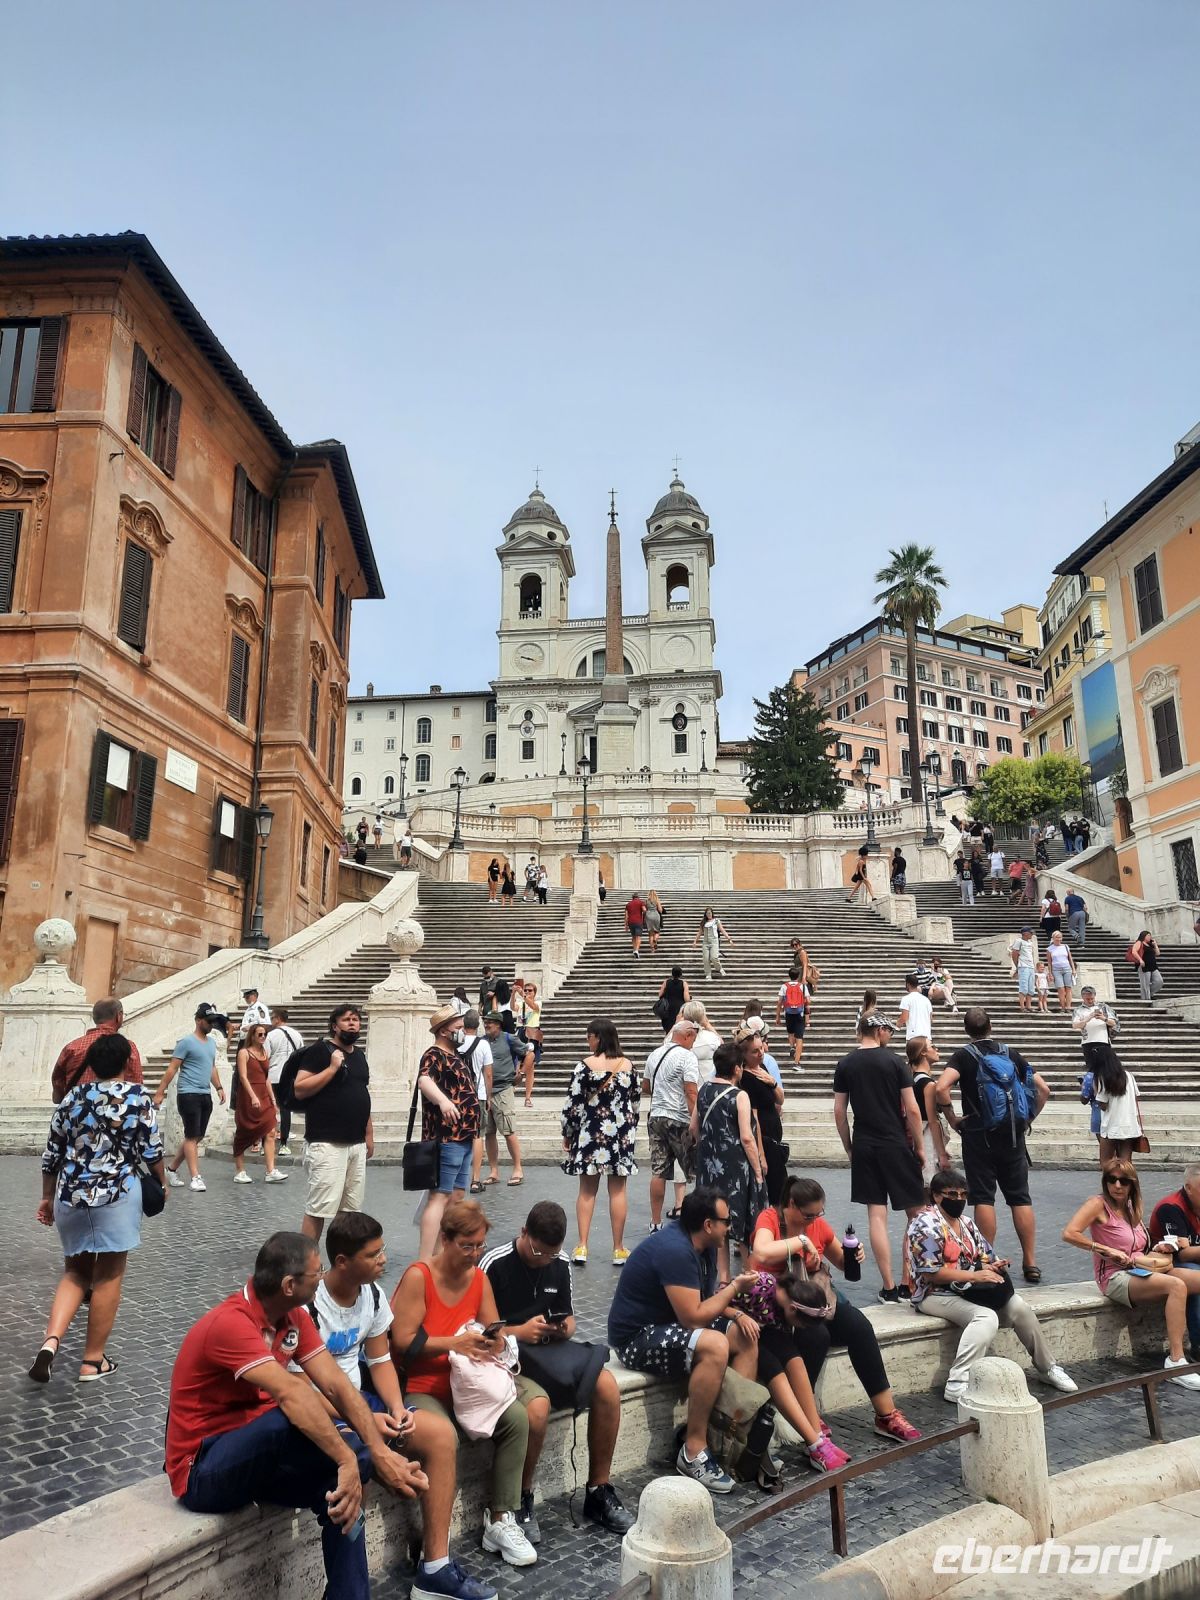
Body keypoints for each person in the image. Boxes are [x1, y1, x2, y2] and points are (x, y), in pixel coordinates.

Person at [166, 1232, 428, 1600]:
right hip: (204, 1470)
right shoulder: (231, 1323)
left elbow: (336, 1385)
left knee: (352, 1475)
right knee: (296, 1423)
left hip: (262, 1462)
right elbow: (291, 1394)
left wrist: (376, 1453)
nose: (322, 1277)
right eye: (316, 1272)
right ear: (289, 1285)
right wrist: (345, 1457)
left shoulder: (293, 1318)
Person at [310, 1212, 498, 1600]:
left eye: (383, 1250)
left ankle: (435, 1568)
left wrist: (395, 1408)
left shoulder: (373, 1295)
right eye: (373, 1254)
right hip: (325, 1408)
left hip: (365, 1400)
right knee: (357, 1460)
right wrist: (366, 1421)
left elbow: (379, 1361)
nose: (383, 1260)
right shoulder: (310, 1305)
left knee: (440, 1435)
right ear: (342, 1262)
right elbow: (304, 1391)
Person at [391, 1201, 539, 1569]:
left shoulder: (479, 1279)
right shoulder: (419, 1276)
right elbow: (402, 1342)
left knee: (518, 1418)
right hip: (424, 1385)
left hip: (468, 1384)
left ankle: (502, 1518)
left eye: (480, 1246)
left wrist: (495, 1341)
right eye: (467, 1246)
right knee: (445, 1437)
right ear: (445, 1238)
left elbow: (493, 1326)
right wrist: (452, 1343)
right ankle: (433, 1544)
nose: (474, 1255)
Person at [482, 1201, 635, 1542]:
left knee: (607, 1386)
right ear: (524, 1233)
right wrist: (520, 1332)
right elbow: (480, 1331)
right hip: (506, 1356)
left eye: (551, 1254)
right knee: (536, 1410)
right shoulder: (494, 1264)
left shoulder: (560, 1261)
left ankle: (598, 1489)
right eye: (538, 1252)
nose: (543, 1260)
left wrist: (561, 1328)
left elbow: (569, 1318)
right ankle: (521, 1498)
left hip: (549, 1352)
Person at [30, 1033, 165, 1385]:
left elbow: (52, 1153)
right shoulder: (138, 1097)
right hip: (116, 1195)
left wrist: (46, 1197)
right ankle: (92, 1361)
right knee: (108, 1275)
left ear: (90, 1064)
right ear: (125, 1063)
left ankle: (50, 1342)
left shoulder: (72, 1098)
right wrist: (163, 1183)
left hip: (71, 1195)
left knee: (75, 1273)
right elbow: (152, 1150)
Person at [749, 1176, 923, 1445]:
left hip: (814, 1298)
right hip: (778, 1305)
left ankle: (886, 1414)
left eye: (819, 1214)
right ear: (791, 1204)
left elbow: (840, 1261)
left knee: (860, 1327)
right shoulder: (770, 1218)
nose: (814, 1220)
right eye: (808, 1215)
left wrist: (855, 1254)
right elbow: (761, 1252)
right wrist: (801, 1242)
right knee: (816, 1335)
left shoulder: (816, 1224)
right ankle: (806, 1414)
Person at [608, 1187, 759, 1495]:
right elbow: (693, 1317)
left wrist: (737, 1314)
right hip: (637, 1337)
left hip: (671, 1322)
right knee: (715, 1344)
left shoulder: (702, 1247)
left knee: (743, 1337)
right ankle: (693, 1450)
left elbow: (705, 1301)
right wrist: (734, 1290)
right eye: (726, 1221)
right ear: (708, 1225)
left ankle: (726, 1436)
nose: (730, 1226)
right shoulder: (675, 1250)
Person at [910, 1169, 1076, 1403]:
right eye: (952, 1194)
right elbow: (930, 1274)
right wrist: (975, 1276)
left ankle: (1047, 1368)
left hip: (967, 1289)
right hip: (934, 1293)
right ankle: (958, 1381)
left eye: (962, 1194)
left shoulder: (966, 1223)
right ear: (936, 1196)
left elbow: (984, 1254)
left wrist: (994, 1265)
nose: (959, 1199)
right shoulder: (925, 1224)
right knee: (985, 1317)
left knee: (1019, 1307)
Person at [932, 1007, 1048, 1284]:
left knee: (983, 1197)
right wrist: (1028, 1117)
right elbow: (1043, 1089)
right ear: (990, 1026)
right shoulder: (1009, 1053)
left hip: (978, 1134)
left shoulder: (963, 1055)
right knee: (1020, 1197)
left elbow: (940, 1088)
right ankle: (1030, 1261)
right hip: (1012, 1136)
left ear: (966, 1029)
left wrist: (953, 1118)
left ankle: (988, 1258)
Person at [1063, 1161, 1200, 1391]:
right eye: (1111, 1179)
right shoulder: (1097, 1204)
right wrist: (1103, 1249)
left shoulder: (1130, 1206)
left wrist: (1161, 1248)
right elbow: (1069, 1233)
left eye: (1124, 1181)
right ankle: (1175, 1361)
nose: (1117, 1185)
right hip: (1114, 1275)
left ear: (1132, 1184)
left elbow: (1138, 1247)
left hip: (1141, 1267)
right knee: (1176, 1286)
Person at [832, 1012, 925, 1303]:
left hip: (864, 1142)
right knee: (915, 1212)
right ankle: (908, 1280)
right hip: (895, 1142)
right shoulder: (895, 1061)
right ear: (880, 1030)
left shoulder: (845, 1063)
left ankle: (887, 1285)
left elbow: (839, 1111)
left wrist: (849, 1145)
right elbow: (911, 1109)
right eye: (889, 1031)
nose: (890, 1036)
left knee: (876, 1214)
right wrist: (920, 1146)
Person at [290, 1005, 373, 1244]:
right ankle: (308, 1262)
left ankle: (342, 1263)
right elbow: (300, 1088)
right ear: (334, 1026)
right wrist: (332, 1068)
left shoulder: (359, 1055)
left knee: (350, 1211)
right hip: (327, 1143)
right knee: (319, 1208)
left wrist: (369, 1132)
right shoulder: (319, 1051)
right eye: (346, 1020)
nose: (352, 1024)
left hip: (355, 1144)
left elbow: (362, 1093)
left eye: (356, 1020)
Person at [560, 1017, 638, 1266]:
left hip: (591, 1132)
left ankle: (582, 1246)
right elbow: (635, 1103)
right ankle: (618, 1248)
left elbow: (572, 1104)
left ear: (598, 1037)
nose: (587, 1041)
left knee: (586, 1190)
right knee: (618, 1190)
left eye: (589, 1036)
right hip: (620, 1135)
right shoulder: (628, 1065)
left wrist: (568, 1132)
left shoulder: (584, 1066)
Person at [691, 1042, 765, 1281]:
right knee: (741, 1218)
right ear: (736, 1069)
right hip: (735, 1167)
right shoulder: (739, 1095)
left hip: (708, 1164)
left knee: (717, 1218)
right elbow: (747, 1137)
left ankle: (722, 1277)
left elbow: (694, 1128)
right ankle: (748, 1269)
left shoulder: (703, 1090)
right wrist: (757, 1170)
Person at [416, 1006, 483, 1260]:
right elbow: (425, 1081)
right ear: (444, 1030)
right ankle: (425, 1260)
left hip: (465, 1136)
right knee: (440, 1197)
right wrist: (444, 1102)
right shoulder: (434, 1055)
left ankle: (442, 1253)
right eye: (457, 1027)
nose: (462, 1031)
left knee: (455, 1196)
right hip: (447, 1137)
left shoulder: (455, 1055)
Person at [156, 1002, 226, 1192]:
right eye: (208, 1020)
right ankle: (195, 1177)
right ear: (198, 1020)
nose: (211, 1024)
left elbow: (211, 1066)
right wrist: (160, 1091)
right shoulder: (186, 1042)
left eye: (212, 1021)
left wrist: (218, 1086)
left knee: (197, 1136)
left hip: (205, 1093)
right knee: (191, 1135)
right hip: (188, 1093)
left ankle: (171, 1169)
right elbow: (173, 1068)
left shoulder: (211, 1043)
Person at [643, 1018, 702, 1236]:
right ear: (686, 1035)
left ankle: (655, 1222)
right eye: (693, 1038)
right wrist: (696, 1122)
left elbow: (646, 1086)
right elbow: (691, 1091)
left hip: (656, 1116)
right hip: (679, 1118)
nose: (693, 1043)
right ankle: (697, 1220)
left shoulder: (655, 1054)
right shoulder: (688, 1057)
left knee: (658, 1170)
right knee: (695, 1169)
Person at [731, 1017, 787, 1204]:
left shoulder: (762, 1068)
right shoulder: (745, 1078)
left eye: (761, 1048)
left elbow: (780, 1099)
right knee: (775, 1191)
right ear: (744, 1055)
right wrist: (760, 1155)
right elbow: (753, 1118)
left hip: (773, 1137)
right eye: (755, 1051)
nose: (761, 1054)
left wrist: (772, 1083)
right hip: (763, 1140)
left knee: (780, 1188)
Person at [1148, 1164, 1200, 1363]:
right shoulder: (1171, 1207)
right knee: (1194, 1276)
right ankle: (1198, 1344)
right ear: (1188, 1187)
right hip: (1167, 1265)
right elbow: (1184, 1254)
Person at [50, 997, 144, 1102]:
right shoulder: (127, 1047)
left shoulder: (72, 1047)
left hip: (77, 1109)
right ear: (119, 1015)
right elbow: (136, 1083)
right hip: (114, 1110)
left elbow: (57, 1081)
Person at [481, 1011, 532, 1186]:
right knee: (489, 1133)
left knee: (509, 1131)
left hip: (503, 1089)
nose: (487, 1024)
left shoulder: (509, 1039)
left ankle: (518, 1168)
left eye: (490, 1022)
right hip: (485, 1092)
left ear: (499, 1024)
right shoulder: (482, 1041)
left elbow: (529, 1054)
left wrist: (522, 1072)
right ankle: (493, 1170)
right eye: (485, 1021)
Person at [233, 1022, 286, 1185]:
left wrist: (272, 1097)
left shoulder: (265, 1052)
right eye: (260, 1034)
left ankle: (270, 1170)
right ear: (253, 1036)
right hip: (249, 1094)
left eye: (265, 1034)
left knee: (271, 1130)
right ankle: (240, 1171)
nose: (263, 1037)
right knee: (244, 1132)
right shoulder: (244, 1053)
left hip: (263, 1093)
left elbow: (266, 1077)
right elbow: (243, 1077)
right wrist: (253, 1096)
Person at [456, 1011, 491, 1195]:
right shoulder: (483, 1044)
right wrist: (489, 1096)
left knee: (460, 1134)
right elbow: (488, 1073)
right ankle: (475, 1180)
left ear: (463, 1026)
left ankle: (457, 1177)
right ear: (478, 1025)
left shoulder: (457, 1046)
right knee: (478, 1136)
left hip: (460, 1096)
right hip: (479, 1095)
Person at [907, 1037, 952, 1172]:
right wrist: (942, 1154)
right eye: (932, 1046)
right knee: (930, 1183)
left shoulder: (911, 1078)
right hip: (926, 1136)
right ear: (923, 1052)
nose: (937, 1049)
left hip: (913, 1133)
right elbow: (933, 1121)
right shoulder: (928, 1084)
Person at [266, 1007, 304, 1156]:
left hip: (274, 1075)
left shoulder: (270, 1035)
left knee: (270, 1108)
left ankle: (267, 1143)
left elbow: (266, 1055)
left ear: (277, 1019)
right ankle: (284, 1143)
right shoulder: (297, 1034)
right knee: (286, 1109)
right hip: (290, 1076)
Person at [1094, 1052, 1144, 1164]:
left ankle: (1110, 1181)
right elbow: (1136, 1097)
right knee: (1126, 1163)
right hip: (1129, 1125)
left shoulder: (1103, 1078)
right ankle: (1128, 1181)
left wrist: (1095, 1090)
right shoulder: (1129, 1076)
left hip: (1111, 1126)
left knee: (1106, 1163)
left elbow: (1103, 1105)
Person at [1072, 986, 1122, 1088]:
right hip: (1087, 1042)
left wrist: (1103, 1018)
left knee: (1105, 1067)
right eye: (1087, 999)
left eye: (1092, 998)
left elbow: (1113, 1023)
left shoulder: (1104, 1007)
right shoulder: (1078, 1010)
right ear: (1083, 997)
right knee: (1091, 1067)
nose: (1090, 1001)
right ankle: (1092, 1088)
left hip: (1103, 1041)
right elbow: (1075, 1025)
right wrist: (1089, 1017)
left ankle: (1105, 1088)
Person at [774, 966, 811, 1065]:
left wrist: (777, 1016)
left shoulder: (784, 986)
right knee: (799, 1037)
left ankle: (791, 1047)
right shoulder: (802, 986)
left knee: (790, 1032)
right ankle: (797, 1062)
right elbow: (808, 1001)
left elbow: (779, 1002)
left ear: (789, 976)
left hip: (788, 1013)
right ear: (798, 976)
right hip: (800, 1014)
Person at [681, 998, 722, 1084]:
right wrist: (707, 1024)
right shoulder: (711, 1038)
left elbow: (666, 1043)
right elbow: (721, 1044)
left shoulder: (679, 1039)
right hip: (706, 1085)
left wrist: (677, 1023)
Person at [692, 905, 732, 979]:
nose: (709, 915)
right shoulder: (703, 922)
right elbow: (699, 932)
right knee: (706, 959)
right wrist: (695, 941)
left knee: (714, 957)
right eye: (707, 913)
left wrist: (729, 938)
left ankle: (720, 968)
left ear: (712, 913)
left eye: (710, 913)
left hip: (714, 941)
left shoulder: (716, 921)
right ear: (705, 914)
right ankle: (708, 974)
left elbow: (722, 930)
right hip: (705, 942)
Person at [897, 973, 934, 1046]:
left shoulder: (906, 999)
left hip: (913, 1037)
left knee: (913, 1057)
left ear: (908, 984)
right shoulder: (926, 1000)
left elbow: (904, 1017)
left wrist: (898, 1024)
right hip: (927, 1037)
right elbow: (931, 1019)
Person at [1009, 926, 1039, 1014]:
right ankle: (1022, 1006)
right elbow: (1014, 954)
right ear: (1025, 933)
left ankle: (1028, 1006)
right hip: (1023, 966)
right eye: (1030, 933)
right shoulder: (1019, 941)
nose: (1032, 934)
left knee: (1030, 987)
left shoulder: (1030, 942)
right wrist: (1017, 965)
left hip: (1030, 966)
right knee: (1024, 987)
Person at [1047, 929, 1077, 1011]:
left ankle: (1068, 1007)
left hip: (1067, 968)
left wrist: (1073, 969)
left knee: (1068, 988)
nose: (1059, 939)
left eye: (1060, 937)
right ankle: (1063, 1007)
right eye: (1057, 937)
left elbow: (1070, 959)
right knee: (1061, 989)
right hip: (1056, 970)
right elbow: (1049, 962)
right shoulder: (1050, 949)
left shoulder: (1066, 947)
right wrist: (1050, 973)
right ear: (1053, 938)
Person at [656, 965, 689, 1034]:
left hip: (667, 1008)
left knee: (668, 1028)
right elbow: (686, 999)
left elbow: (660, 995)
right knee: (678, 1028)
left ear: (672, 973)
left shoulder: (666, 982)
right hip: (679, 1008)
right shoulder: (683, 983)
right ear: (680, 974)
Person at [1131, 930, 1163, 1002]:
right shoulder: (1139, 942)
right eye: (1148, 935)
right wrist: (1140, 960)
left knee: (1159, 981)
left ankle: (1150, 994)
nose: (1150, 937)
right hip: (1144, 966)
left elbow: (1157, 953)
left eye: (1150, 935)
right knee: (1145, 984)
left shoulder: (1150, 944)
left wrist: (1155, 945)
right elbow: (1134, 951)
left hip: (1153, 966)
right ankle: (1146, 999)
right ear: (1144, 936)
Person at [625, 891, 646, 957]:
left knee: (633, 937)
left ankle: (634, 949)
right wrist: (644, 915)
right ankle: (636, 950)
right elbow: (644, 910)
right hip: (638, 921)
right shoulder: (640, 902)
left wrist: (626, 925)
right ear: (638, 897)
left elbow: (626, 916)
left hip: (630, 922)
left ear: (632, 898)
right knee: (638, 937)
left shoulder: (628, 904)